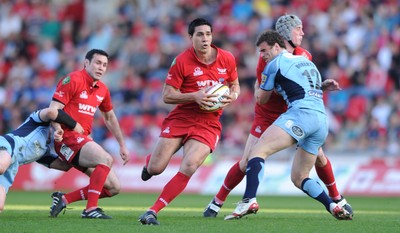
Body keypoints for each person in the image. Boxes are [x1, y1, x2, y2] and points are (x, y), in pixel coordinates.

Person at [203, 14, 353, 218]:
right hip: (269, 115)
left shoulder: (304, 55)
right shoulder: (266, 58)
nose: (302, 32)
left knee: (318, 156)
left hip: (295, 112)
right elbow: (262, 95)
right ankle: (217, 202)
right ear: (285, 34)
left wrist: (321, 87)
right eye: (298, 28)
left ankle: (337, 198)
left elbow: (302, 84)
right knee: (247, 161)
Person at [138, 18, 240, 225]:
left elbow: (235, 84)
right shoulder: (182, 61)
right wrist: (194, 96)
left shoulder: (227, 58)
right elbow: (167, 95)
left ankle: (152, 211)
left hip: (208, 122)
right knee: (157, 168)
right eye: (200, 34)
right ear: (190, 37)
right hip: (182, 117)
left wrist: (234, 95)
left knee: (190, 165)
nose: (205, 39)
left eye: (208, 34)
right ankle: (150, 163)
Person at [48, 49, 130, 219]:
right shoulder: (73, 80)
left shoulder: (102, 89)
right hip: (67, 139)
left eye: (105, 65)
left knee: (113, 187)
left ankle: (64, 199)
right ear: (86, 63)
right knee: (106, 159)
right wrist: (57, 129)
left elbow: (109, 117)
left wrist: (122, 144)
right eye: (98, 63)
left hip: (82, 140)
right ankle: (90, 209)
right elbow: (53, 110)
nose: (101, 67)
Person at [0, 107, 83, 212]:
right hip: (9, 144)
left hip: (12, 166)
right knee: (1, 167)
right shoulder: (37, 121)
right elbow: (51, 112)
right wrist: (75, 126)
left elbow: (64, 166)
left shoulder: (43, 153)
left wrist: (79, 149)